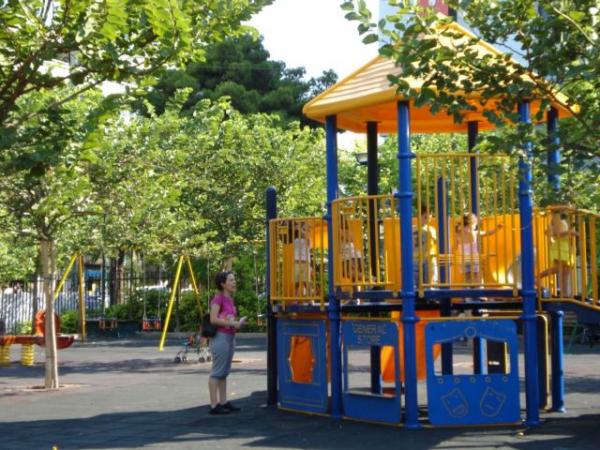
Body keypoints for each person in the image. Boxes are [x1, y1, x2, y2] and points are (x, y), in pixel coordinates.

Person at [208, 271, 246, 415]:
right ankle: (214, 405)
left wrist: (236, 323)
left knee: (224, 372)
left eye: (234, 279)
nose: (234, 282)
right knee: (217, 372)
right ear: (223, 284)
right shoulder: (218, 299)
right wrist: (232, 324)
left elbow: (228, 318)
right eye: (231, 280)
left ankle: (223, 402)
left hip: (230, 337)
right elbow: (213, 319)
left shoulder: (230, 299)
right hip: (220, 337)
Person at [454, 212, 503, 286]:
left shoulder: (458, 235)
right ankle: (478, 290)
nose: (475, 226)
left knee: (467, 277)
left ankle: (467, 291)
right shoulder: (474, 233)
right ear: (471, 223)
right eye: (475, 225)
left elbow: (454, 247)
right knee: (476, 275)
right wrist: (497, 228)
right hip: (473, 258)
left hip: (463, 259)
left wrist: (451, 255)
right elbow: (488, 233)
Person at [538, 211, 577, 297]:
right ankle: (538, 276)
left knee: (566, 271)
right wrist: (569, 232)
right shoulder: (557, 218)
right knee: (558, 268)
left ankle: (565, 294)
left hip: (565, 246)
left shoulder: (562, 219)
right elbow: (556, 234)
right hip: (560, 247)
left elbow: (550, 232)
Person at [413, 206, 439, 287]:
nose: (428, 220)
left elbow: (437, 242)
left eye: (430, 218)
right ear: (418, 216)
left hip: (429, 258)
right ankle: (417, 294)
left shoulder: (431, 230)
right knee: (415, 281)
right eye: (425, 217)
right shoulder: (412, 229)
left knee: (430, 281)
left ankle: (431, 293)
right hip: (415, 258)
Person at [293, 223, 312, 296]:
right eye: (303, 228)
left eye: (305, 229)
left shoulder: (308, 239)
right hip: (296, 262)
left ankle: (310, 299)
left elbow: (306, 237)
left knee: (306, 282)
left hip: (305, 262)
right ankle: (295, 299)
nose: (302, 231)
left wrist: (299, 228)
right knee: (296, 283)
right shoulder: (295, 239)